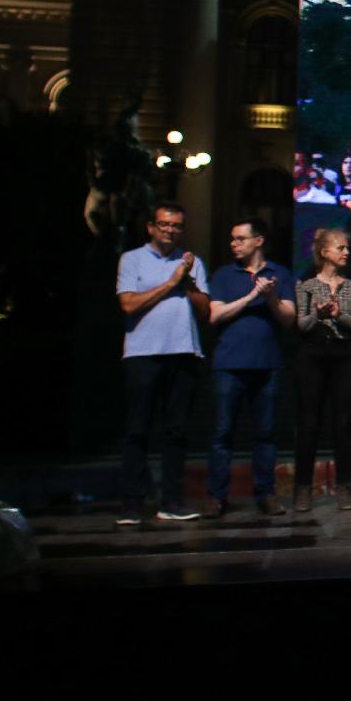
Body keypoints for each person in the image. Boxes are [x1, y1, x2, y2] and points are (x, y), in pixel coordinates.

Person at [114, 202, 211, 525]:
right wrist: (171, 282)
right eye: (165, 224)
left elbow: (204, 311)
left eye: (177, 226)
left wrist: (188, 282)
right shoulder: (132, 259)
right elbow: (128, 304)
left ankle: (171, 501)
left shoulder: (192, 262)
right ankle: (132, 503)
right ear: (151, 227)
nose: (170, 230)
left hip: (183, 352)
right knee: (137, 429)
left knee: (176, 431)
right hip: (142, 354)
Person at [204, 218, 296, 518]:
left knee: (265, 434)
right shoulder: (224, 274)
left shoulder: (279, 274)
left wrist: (269, 296)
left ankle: (265, 494)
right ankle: (216, 497)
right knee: (222, 433)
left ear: (258, 241)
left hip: (267, 364)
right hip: (229, 364)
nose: (234, 244)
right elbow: (215, 315)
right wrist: (251, 296)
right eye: (232, 239)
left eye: (240, 239)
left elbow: (289, 319)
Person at [294, 228, 351, 512]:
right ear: (324, 252)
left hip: (345, 354)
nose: (346, 252)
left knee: (344, 422)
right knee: (309, 423)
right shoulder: (306, 285)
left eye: (347, 248)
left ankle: (344, 486)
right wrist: (318, 314)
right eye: (340, 248)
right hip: (313, 353)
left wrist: (340, 315)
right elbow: (301, 324)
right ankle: (303, 488)